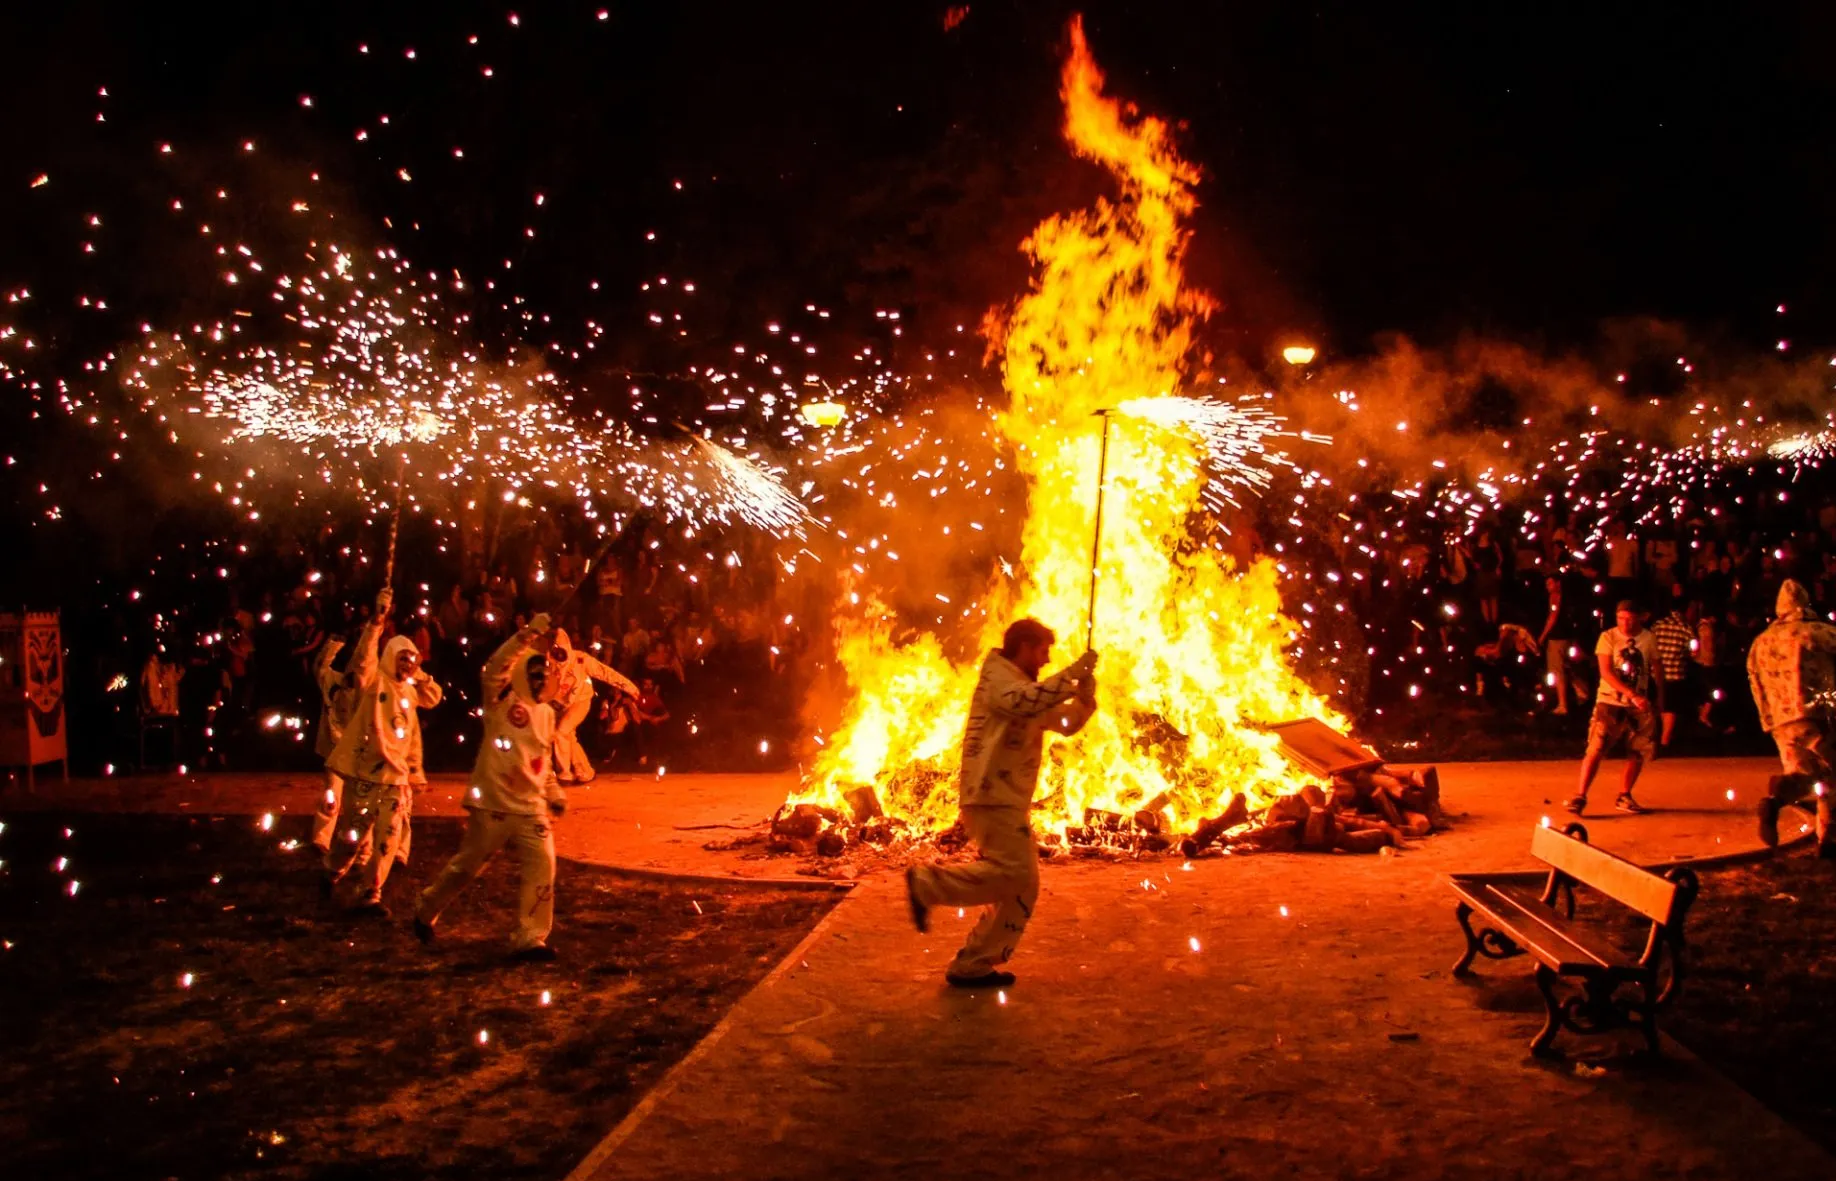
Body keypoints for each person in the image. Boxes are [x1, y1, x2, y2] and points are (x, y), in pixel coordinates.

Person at [904, 619, 1097, 989]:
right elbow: (1025, 703)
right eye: (1042, 651)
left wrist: (1085, 698)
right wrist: (1071, 675)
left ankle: (974, 964)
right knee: (1015, 875)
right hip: (991, 795)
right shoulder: (999, 681)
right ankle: (927, 884)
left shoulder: (1026, 689)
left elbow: (1066, 722)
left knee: (1022, 887)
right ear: (1023, 646)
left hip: (1008, 799)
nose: (1046, 659)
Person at [414, 614, 568, 959]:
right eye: (534, 673)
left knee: (543, 866)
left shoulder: (546, 714)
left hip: (531, 808)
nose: (541, 678)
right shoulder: (500, 701)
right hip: (494, 804)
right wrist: (528, 634)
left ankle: (530, 937)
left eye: (544, 674)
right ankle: (427, 908)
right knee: (467, 867)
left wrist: (554, 794)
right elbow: (494, 667)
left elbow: (542, 761)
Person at [321, 588, 444, 915]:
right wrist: (377, 621)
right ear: (389, 657)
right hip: (365, 775)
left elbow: (434, 698)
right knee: (352, 837)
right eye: (401, 657)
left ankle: (371, 894)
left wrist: (418, 673)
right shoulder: (374, 684)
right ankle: (332, 871)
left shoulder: (410, 692)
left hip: (395, 778)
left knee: (388, 839)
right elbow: (363, 661)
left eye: (411, 657)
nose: (406, 663)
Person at [1747, 580, 1836, 856]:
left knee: (1806, 774)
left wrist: (1768, 717)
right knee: (1830, 774)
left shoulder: (1760, 642)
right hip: (1819, 716)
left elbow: (1754, 681)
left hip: (1781, 721)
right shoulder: (1822, 634)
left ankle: (1775, 803)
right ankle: (1828, 835)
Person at [1568, 600, 1659, 816]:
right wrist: (1631, 694)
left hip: (1639, 704)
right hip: (1610, 701)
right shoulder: (1608, 637)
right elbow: (1606, 672)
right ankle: (1580, 795)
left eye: (1629, 619)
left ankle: (1624, 795)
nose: (1625, 623)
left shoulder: (1648, 639)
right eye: (1620, 618)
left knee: (1637, 750)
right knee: (1596, 747)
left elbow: (1656, 669)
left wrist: (1660, 701)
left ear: (1639, 618)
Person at [550, 627, 637, 785]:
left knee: (561, 731)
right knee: (567, 735)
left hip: (581, 701)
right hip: (559, 705)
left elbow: (606, 673)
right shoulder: (548, 661)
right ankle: (585, 771)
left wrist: (630, 688)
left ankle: (564, 774)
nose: (559, 656)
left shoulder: (580, 659)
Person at [308, 635, 360, 855]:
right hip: (333, 751)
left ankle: (360, 846)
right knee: (332, 795)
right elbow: (319, 667)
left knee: (358, 802)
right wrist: (334, 645)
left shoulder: (367, 690)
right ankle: (321, 839)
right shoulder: (331, 679)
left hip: (357, 754)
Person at [1651, 599, 1695, 747]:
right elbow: (1693, 652)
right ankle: (1665, 740)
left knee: (1657, 705)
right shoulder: (1686, 628)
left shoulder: (1657, 625)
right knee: (1671, 708)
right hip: (1675, 673)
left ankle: (1651, 738)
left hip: (1655, 673)